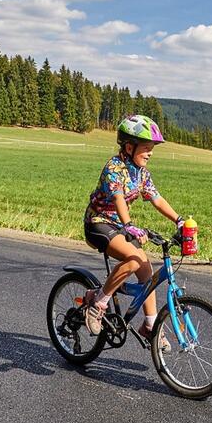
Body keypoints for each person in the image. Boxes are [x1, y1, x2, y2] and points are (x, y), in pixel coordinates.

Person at [81, 115, 186, 349]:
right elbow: (118, 197)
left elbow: (157, 199)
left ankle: (150, 326)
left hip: (118, 226)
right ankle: (98, 303)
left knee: (146, 271)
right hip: (98, 223)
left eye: (152, 149)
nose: (150, 153)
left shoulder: (142, 173)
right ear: (129, 147)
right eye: (146, 148)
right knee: (134, 258)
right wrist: (128, 225)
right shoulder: (114, 168)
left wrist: (179, 221)